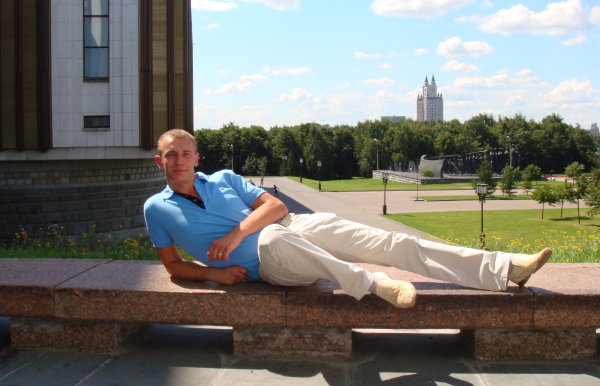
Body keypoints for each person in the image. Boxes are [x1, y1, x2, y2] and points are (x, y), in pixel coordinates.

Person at [144, 129, 552, 309]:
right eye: (171, 155)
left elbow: (276, 208)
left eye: (186, 153)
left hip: (289, 228)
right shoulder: (156, 208)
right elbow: (174, 266)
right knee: (274, 241)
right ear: (160, 161)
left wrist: (235, 233)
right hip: (268, 265)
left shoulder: (223, 178)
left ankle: (505, 268)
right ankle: (373, 284)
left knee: (389, 241)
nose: (179, 160)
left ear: (196, 157)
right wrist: (214, 275)